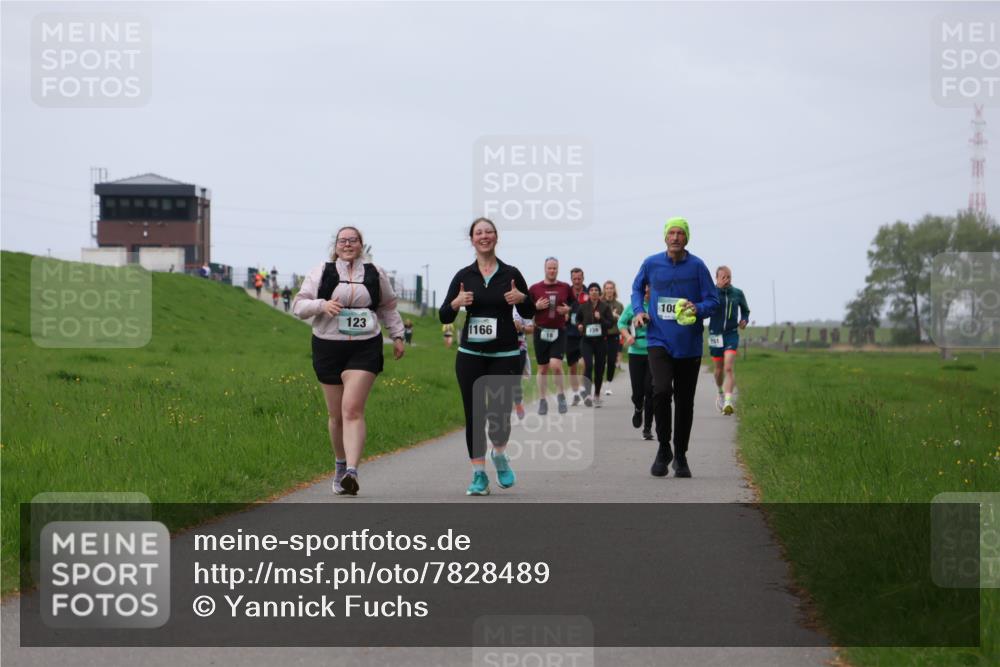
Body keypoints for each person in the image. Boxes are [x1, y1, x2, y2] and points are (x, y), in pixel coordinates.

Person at [293, 226, 406, 496]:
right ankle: (340, 466)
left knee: (352, 409)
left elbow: (388, 306)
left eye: (353, 240)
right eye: (343, 240)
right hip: (328, 346)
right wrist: (322, 305)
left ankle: (353, 471)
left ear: (361, 244)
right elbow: (299, 306)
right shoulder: (322, 270)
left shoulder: (375, 273)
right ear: (336, 245)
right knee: (336, 416)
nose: (347, 244)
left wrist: (398, 335)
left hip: (365, 346)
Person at [440, 218, 534, 496]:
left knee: (500, 414)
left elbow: (529, 313)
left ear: (496, 238)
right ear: (472, 240)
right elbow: (444, 314)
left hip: (505, 353)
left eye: (489, 232)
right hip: (470, 354)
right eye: (479, 233)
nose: (484, 237)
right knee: (474, 413)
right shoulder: (463, 275)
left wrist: (522, 299)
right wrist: (456, 304)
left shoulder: (511, 273)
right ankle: (478, 474)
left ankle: (500, 455)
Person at [631, 217, 718, 478]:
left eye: (681, 233)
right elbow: (636, 289)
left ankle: (680, 455)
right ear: (665, 237)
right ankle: (662, 447)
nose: (676, 237)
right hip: (658, 339)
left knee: (684, 402)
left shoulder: (698, 266)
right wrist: (638, 311)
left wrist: (698, 308)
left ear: (687, 238)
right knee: (660, 390)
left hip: (689, 344)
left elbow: (713, 301)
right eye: (672, 233)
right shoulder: (651, 263)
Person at [527, 257, 575, 415]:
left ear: (558, 269)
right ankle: (542, 400)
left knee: (555, 365)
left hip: (559, 331)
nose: (552, 271)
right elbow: (525, 309)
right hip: (540, 331)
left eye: (555, 268)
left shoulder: (565, 287)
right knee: (542, 369)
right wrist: (535, 306)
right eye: (549, 268)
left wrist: (568, 309)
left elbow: (576, 305)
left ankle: (561, 395)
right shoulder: (535, 288)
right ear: (545, 269)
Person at [709, 266, 750, 415]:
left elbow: (745, 311)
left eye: (729, 277)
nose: (727, 280)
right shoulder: (711, 292)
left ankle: (728, 401)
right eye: (723, 277)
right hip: (715, 334)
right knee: (718, 370)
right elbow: (704, 308)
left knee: (728, 367)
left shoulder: (737, 293)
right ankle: (720, 393)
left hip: (731, 334)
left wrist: (744, 320)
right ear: (717, 279)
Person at [619, 286, 655, 439]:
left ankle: (647, 429)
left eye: (650, 288)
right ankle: (638, 408)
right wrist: (627, 336)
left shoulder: (658, 305)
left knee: (650, 390)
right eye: (645, 289)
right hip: (635, 352)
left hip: (654, 352)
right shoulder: (633, 306)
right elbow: (621, 323)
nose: (647, 292)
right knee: (638, 392)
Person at [577, 282, 616, 407]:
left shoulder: (604, 307)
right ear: (588, 293)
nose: (594, 292)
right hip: (587, 341)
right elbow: (577, 319)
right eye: (591, 290)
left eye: (596, 290)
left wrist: (601, 319)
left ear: (600, 293)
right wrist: (579, 325)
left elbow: (610, 324)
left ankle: (597, 394)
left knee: (599, 369)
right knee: (588, 366)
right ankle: (587, 394)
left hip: (600, 341)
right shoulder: (583, 307)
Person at [565, 267, 589, 405]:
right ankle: (575, 393)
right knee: (572, 365)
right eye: (574, 279)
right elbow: (560, 308)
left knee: (585, 363)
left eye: (579, 278)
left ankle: (583, 390)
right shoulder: (566, 293)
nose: (577, 281)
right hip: (570, 333)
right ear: (571, 279)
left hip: (585, 334)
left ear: (583, 278)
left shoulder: (588, 293)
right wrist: (565, 314)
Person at [511, 306, 534, 419]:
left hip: (519, 349)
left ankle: (518, 403)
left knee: (515, 378)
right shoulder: (497, 304)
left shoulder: (521, 309)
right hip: (500, 348)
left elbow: (531, 328)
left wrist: (521, 328)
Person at [603, 280, 624, 392]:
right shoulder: (599, 303)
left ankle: (608, 383)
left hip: (614, 336)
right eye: (607, 288)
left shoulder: (619, 305)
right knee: (601, 360)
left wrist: (617, 316)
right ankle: (598, 382)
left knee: (611, 361)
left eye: (611, 288)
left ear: (614, 290)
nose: (609, 290)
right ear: (604, 290)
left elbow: (624, 321)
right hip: (601, 336)